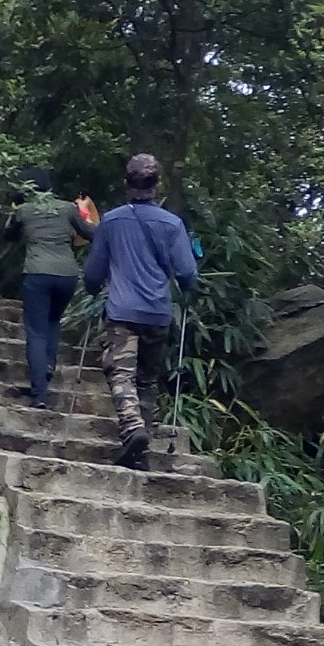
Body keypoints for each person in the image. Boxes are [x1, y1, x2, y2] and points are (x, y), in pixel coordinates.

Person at [83, 153, 198, 470]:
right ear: (157, 186)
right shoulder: (173, 224)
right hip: (158, 313)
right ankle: (139, 453)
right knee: (147, 380)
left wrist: (92, 288)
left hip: (122, 311)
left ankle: (133, 428)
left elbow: (93, 274)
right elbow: (188, 275)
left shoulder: (112, 221)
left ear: (126, 185)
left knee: (120, 372)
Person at [5, 168, 98, 407]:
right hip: (67, 275)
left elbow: (8, 235)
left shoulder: (24, 211)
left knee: (36, 331)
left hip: (36, 274)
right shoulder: (68, 208)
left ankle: (40, 395)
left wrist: (15, 207)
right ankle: (48, 364)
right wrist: (86, 212)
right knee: (54, 320)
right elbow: (92, 233)